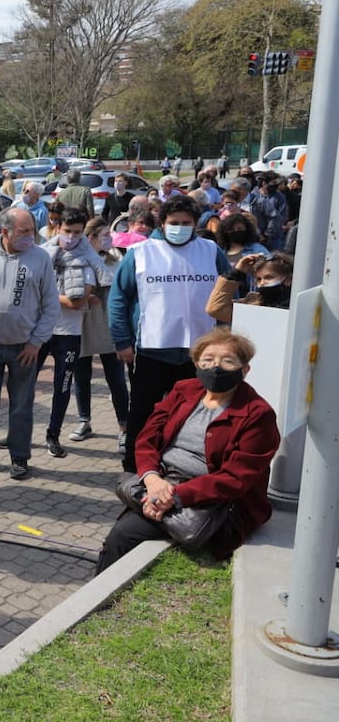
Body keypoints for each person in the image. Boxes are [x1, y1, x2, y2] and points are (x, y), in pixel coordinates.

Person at [95, 330, 279, 572]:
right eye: (208, 360)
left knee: (124, 534)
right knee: (128, 522)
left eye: (228, 361)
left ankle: (102, 589)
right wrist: (151, 478)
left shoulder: (257, 414)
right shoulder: (184, 390)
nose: (216, 367)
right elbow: (148, 437)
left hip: (212, 496)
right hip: (162, 480)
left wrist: (173, 496)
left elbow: (236, 477)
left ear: (244, 370)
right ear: (196, 365)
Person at [108, 195, 230, 473]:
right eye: (174, 222)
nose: (180, 228)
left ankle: (182, 465)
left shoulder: (210, 251)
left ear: (195, 223)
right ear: (162, 223)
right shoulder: (140, 253)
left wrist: (226, 336)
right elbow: (118, 298)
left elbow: (228, 293)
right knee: (143, 412)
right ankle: (134, 465)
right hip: (151, 350)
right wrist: (122, 340)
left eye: (186, 223)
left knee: (193, 413)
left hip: (199, 353)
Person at [0, 208, 60, 480]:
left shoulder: (40, 257)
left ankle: (19, 456)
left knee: (21, 404)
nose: (31, 235)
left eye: (32, 230)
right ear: (4, 231)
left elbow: (51, 305)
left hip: (25, 348)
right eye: (24, 231)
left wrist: (36, 343)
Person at [38, 208, 109, 457]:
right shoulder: (42, 255)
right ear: (58, 229)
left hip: (69, 333)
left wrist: (46, 295)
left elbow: (76, 303)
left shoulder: (87, 260)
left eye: (77, 233)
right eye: (67, 231)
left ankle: (53, 435)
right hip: (40, 330)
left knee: (63, 386)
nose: (71, 237)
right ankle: (18, 431)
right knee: (24, 384)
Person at [69, 218, 130, 454]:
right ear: (90, 238)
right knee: (81, 376)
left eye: (109, 234)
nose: (109, 239)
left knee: (116, 378)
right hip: (82, 323)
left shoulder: (115, 260)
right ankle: (84, 420)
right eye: (104, 235)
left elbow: (121, 291)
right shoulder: (75, 260)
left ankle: (124, 426)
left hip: (107, 325)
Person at [207, 251, 294, 325]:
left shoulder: (298, 306)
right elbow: (217, 309)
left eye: (269, 277)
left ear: (289, 279)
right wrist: (237, 272)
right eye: (259, 279)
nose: (262, 283)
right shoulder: (252, 304)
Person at [216, 213, 270, 294]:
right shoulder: (220, 252)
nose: (236, 231)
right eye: (231, 229)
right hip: (227, 295)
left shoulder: (258, 249)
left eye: (239, 228)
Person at [249, 177, 289, 251]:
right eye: (273, 183)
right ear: (264, 183)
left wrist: (267, 233)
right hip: (256, 236)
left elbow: (280, 216)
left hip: (274, 236)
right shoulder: (253, 195)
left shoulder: (279, 196)